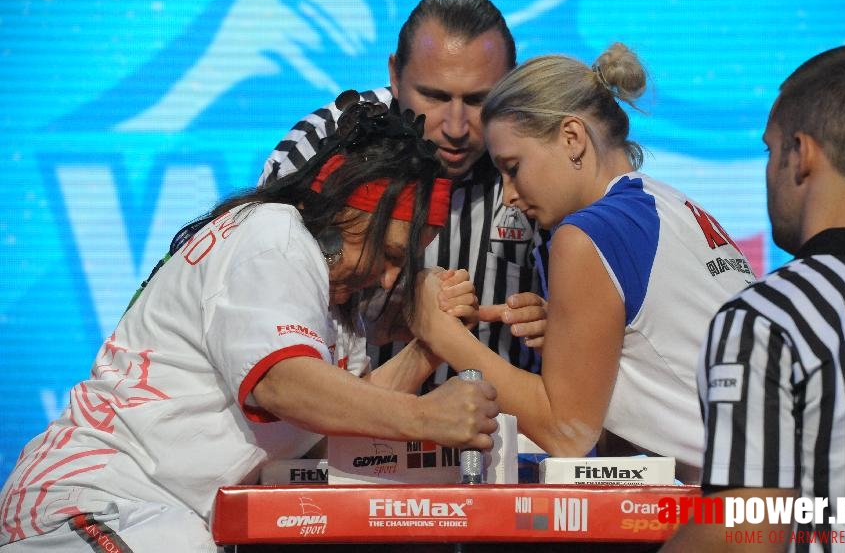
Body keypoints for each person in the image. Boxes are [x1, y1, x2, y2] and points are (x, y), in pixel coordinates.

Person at [0, 101, 500, 552]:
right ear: (344, 210)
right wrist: (425, 418)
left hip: (161, 519)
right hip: (87, 501)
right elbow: (285, 384)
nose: (391, 278)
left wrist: (427, 347)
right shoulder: (273, 234)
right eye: (390, 254)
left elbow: (337, 423)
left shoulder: (334, 306)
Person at [410, 43, 755, 481]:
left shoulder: (589, 234)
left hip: (757, 502)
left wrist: (439, 332)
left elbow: (567, 433)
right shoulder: (669, 203)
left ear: (572, 138)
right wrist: (577, 341)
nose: (509, 196)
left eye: (513, 167)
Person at [660, 44, 845, 551]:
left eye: (770, 151)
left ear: (802, 153)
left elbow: (744, 534)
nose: (769, 171)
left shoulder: (768, 319)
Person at [259, 0, 547, 387]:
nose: (456, 127)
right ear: (394, 74)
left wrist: (558, 326)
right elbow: (261, 309)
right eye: (435, 96)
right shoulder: (321, 146)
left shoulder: (540, 159)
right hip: (336, 432)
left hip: (501, 437)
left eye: (480, 100)